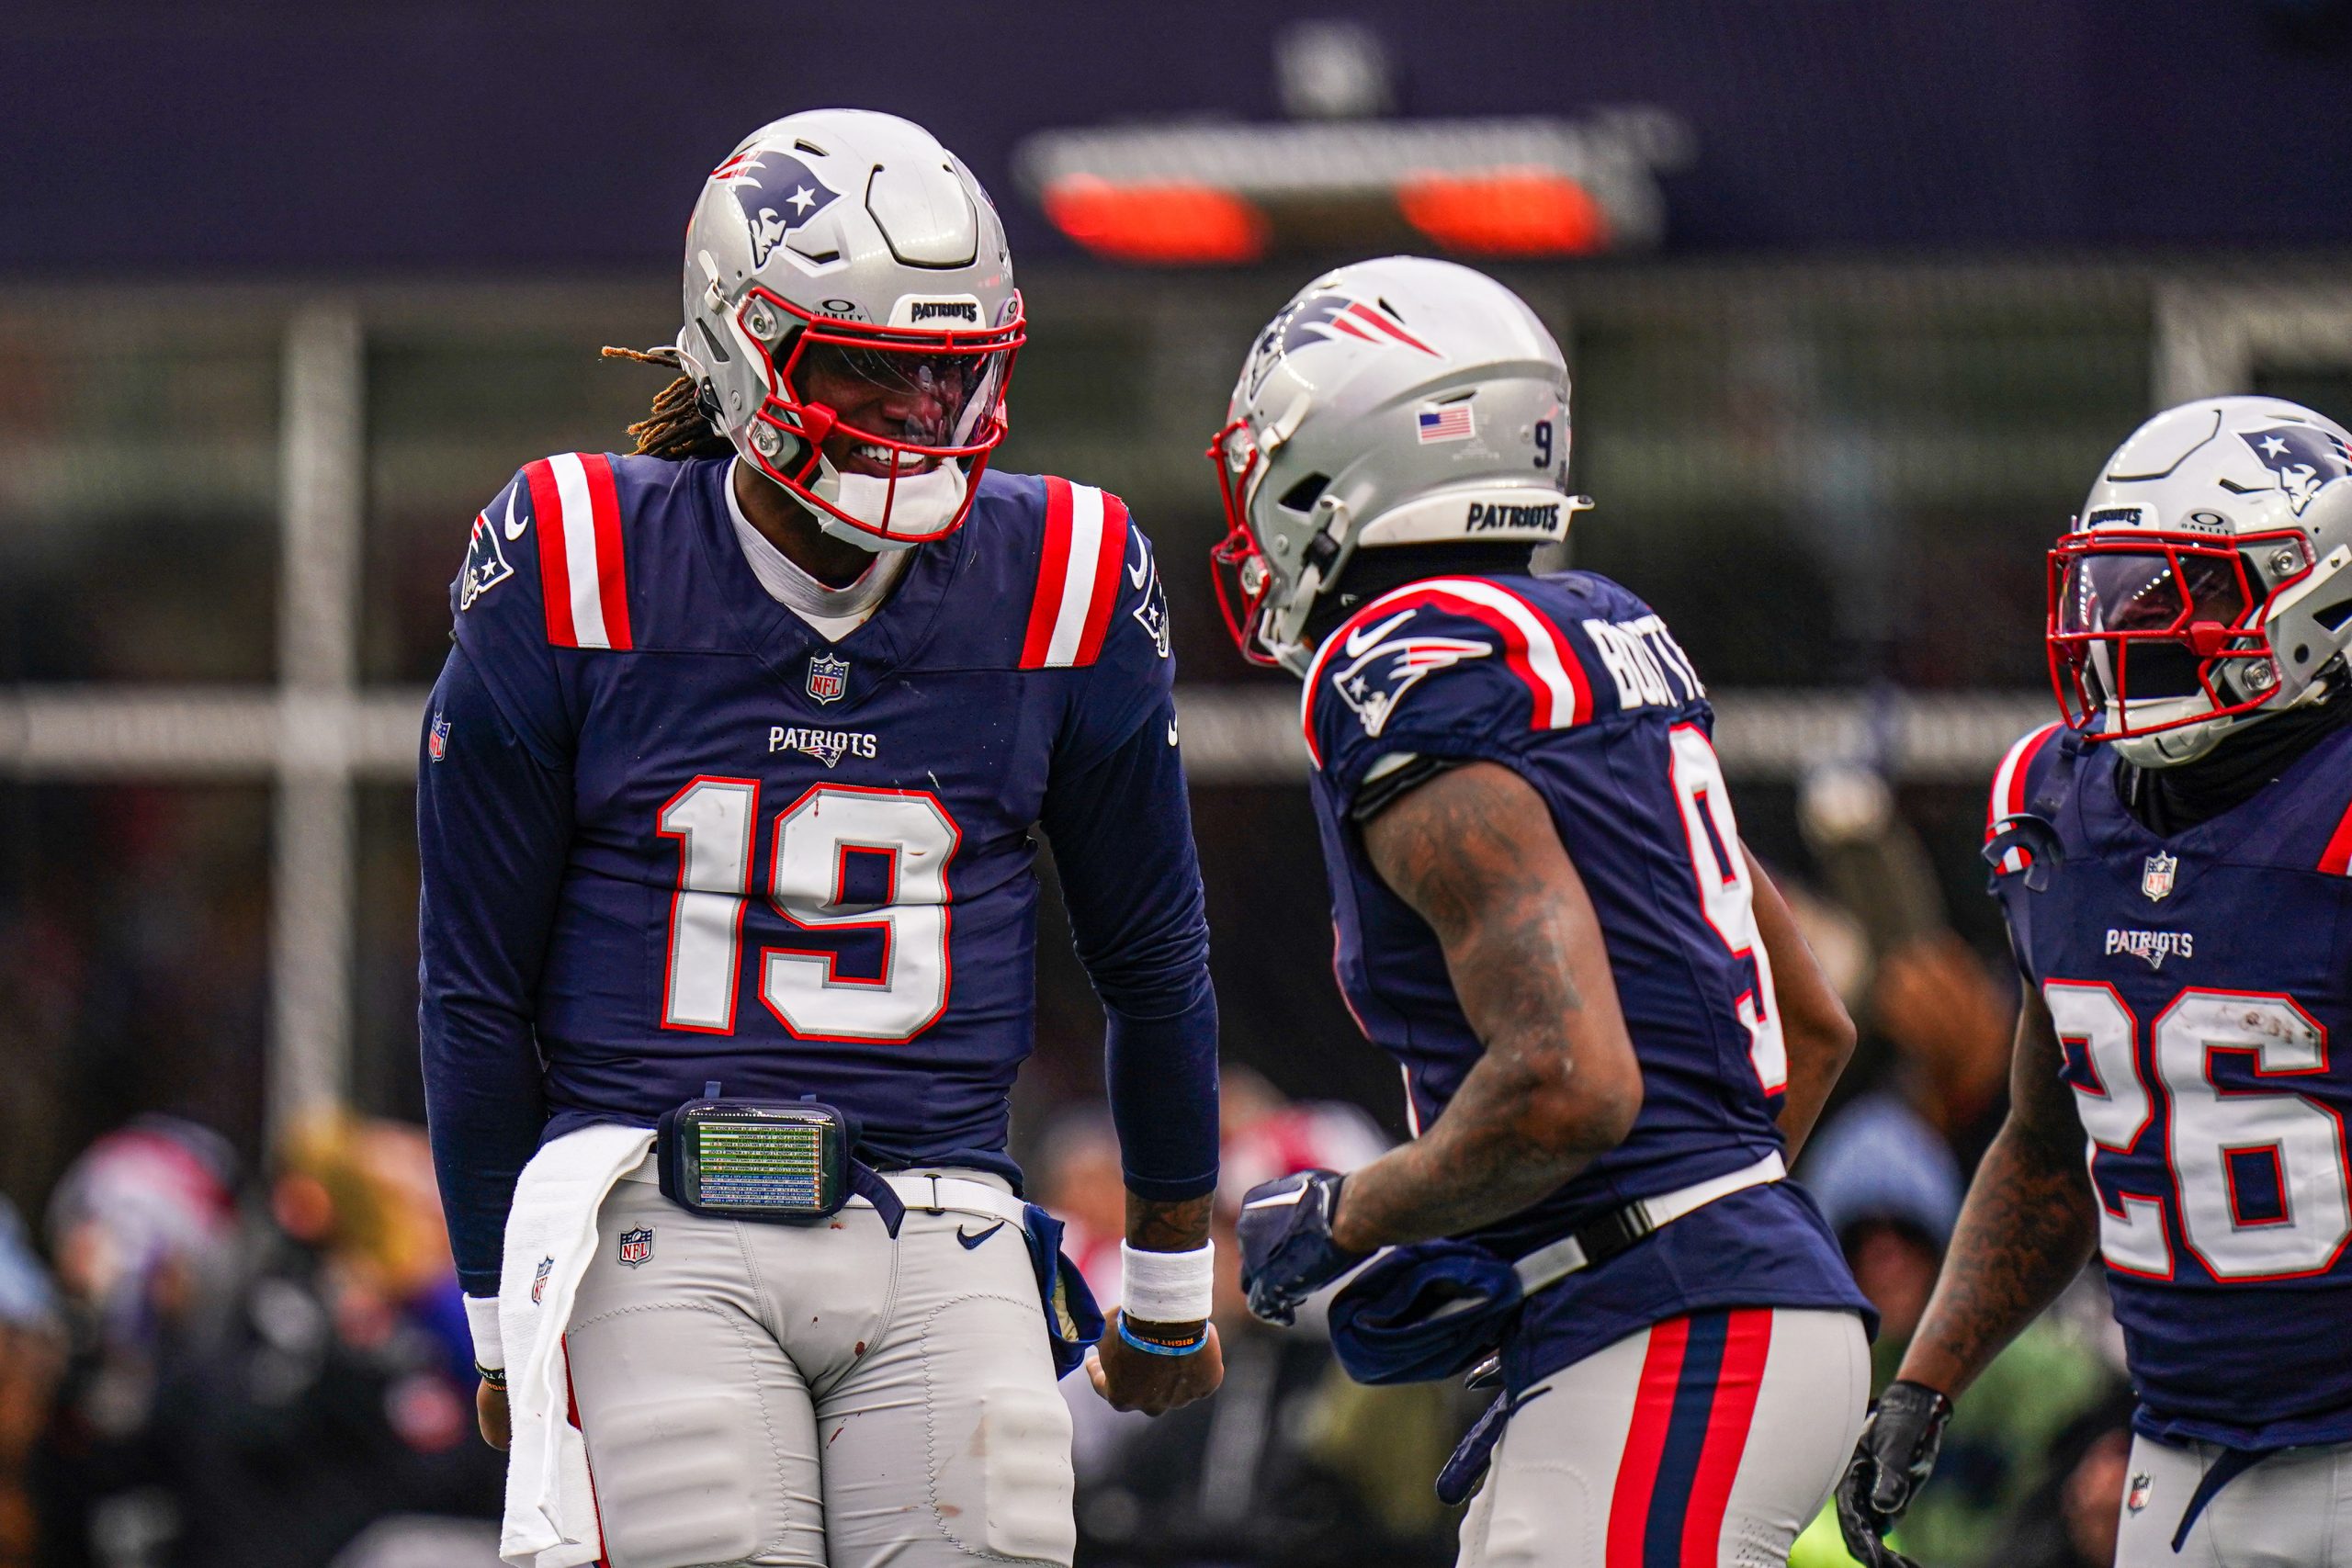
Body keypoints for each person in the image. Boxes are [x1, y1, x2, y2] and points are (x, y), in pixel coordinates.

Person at [417, 108, 1222, 1568]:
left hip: (945, 1211)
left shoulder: (1070, 570)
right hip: (652, 1198)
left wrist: (1169, 1278)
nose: (921, 411)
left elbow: (1152, 954)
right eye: (872, 365)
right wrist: (495, 1306)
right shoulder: (577, 551)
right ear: (741, 342)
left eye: (952, 370)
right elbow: (477, 983)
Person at [1210, 256, 1874, 1567]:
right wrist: (1564, 1247)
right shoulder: (1601, 629)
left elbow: (1570, 1083)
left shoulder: (1405, 668)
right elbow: (1811, 1026)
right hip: (1710, 1304)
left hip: (1676, 1331)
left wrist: (1349, 1212)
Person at [1838, 396, 2352, 1568]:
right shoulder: (2054, 811)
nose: (2127, 628)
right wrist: (1925, 1382)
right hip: (2179, 1452)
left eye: (2186, 590)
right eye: (2114, 589)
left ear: (2318, 595)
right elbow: (2045, 1144)